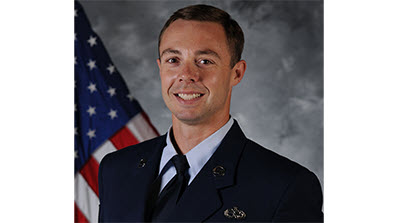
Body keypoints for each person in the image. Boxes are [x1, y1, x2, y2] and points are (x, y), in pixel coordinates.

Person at [98, 4, 323, 222]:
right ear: (160, 68)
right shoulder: (116, 170)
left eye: (205, 61)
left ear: (236, 73)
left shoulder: (285, 187)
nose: (186, 75)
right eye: (173, 60)